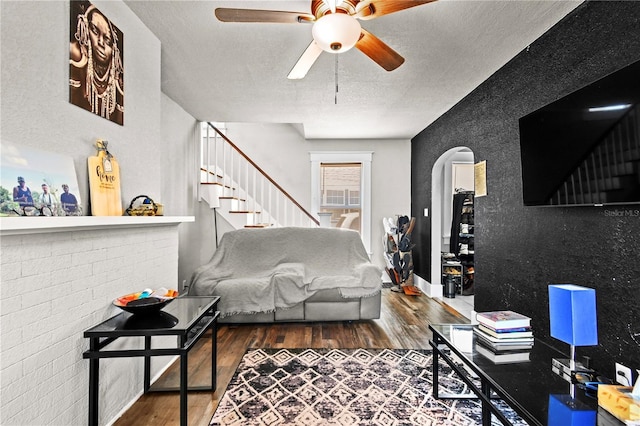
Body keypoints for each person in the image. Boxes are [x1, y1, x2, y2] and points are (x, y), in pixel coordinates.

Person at [69, 3, 124, 125]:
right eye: (94, 31)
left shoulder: (118, 85)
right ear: (85, 29)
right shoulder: (77, 56)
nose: (100, 43)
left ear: (114, 50)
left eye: (107, 40)